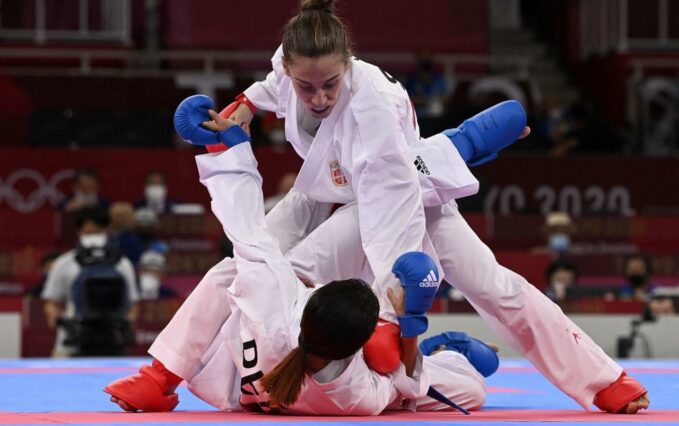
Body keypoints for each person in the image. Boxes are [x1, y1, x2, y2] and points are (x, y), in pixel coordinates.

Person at [176, 0, 648, 413]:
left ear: (348, 68)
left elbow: (390, 215)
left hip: (407, 197)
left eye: (329, 86)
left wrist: (389, 314)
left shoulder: (372, 108)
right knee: (248, 265)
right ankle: (162, 372)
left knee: (493, 286)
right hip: (325, 197)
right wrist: (243, 105)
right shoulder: (295, 60)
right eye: (306, 87)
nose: (316, 98)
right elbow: (274, 85)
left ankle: (603, 380)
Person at [105, 124, 491, 414]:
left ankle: (160, 376)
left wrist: (229, 151)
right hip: (268, 362)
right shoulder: (356, 394)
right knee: (472, 393)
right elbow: (402, 381)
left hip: (241, 352)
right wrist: (409, 325)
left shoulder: (273, 302)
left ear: (312, 300)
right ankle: (443, 156)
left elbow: (246, 229)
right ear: (359, 345)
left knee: (233, 268)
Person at [41, 206, 140, 357]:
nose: (93, 237)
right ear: (79, 232)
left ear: (107, 232)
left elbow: (134, 304)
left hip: (112, 339)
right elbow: (51, 302)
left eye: (98, 232)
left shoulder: (122, 263)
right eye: (88, 232)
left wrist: (126, 326)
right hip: (71, 342)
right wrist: (61, 321)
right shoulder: (64, 263)